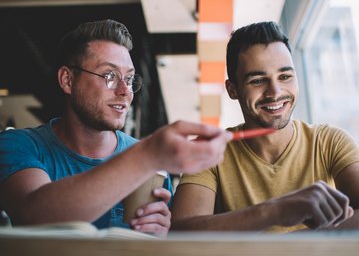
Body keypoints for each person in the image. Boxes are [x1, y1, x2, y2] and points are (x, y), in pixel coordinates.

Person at [0, 19, 232, 236]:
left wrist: (160, 235)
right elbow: (33, 215)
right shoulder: (19, 145)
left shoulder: (153, 169)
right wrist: (148, 154)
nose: (125, 91)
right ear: (67, 80)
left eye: (129, 79)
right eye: (109, 75)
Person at [171, 21, 359, 233]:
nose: (275, 92)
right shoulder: (210, 150)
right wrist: (273, 211)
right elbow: (181, 232)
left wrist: (285, 246)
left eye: (285, 76)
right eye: (258, 80)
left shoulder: (329, 141)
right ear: (232, 89)